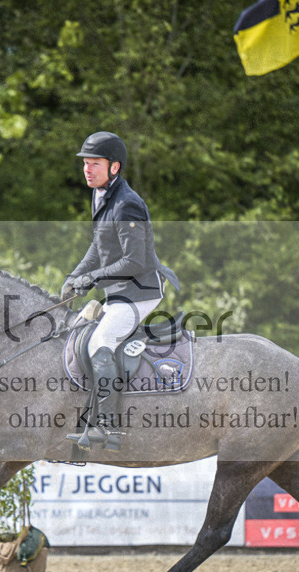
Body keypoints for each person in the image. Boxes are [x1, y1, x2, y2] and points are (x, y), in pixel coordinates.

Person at [61, 131, 180, 451]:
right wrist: (76, 276)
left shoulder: (127, 205)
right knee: (79, 335)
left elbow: (133, 260)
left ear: (114, 167)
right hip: (119, 290)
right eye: (85, 163)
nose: (87, 169)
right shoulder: (100, 195)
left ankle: (108, 427)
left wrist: (92, 279)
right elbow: (99, 245)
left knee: (101, 341)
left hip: (140, 291)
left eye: (95, 164)